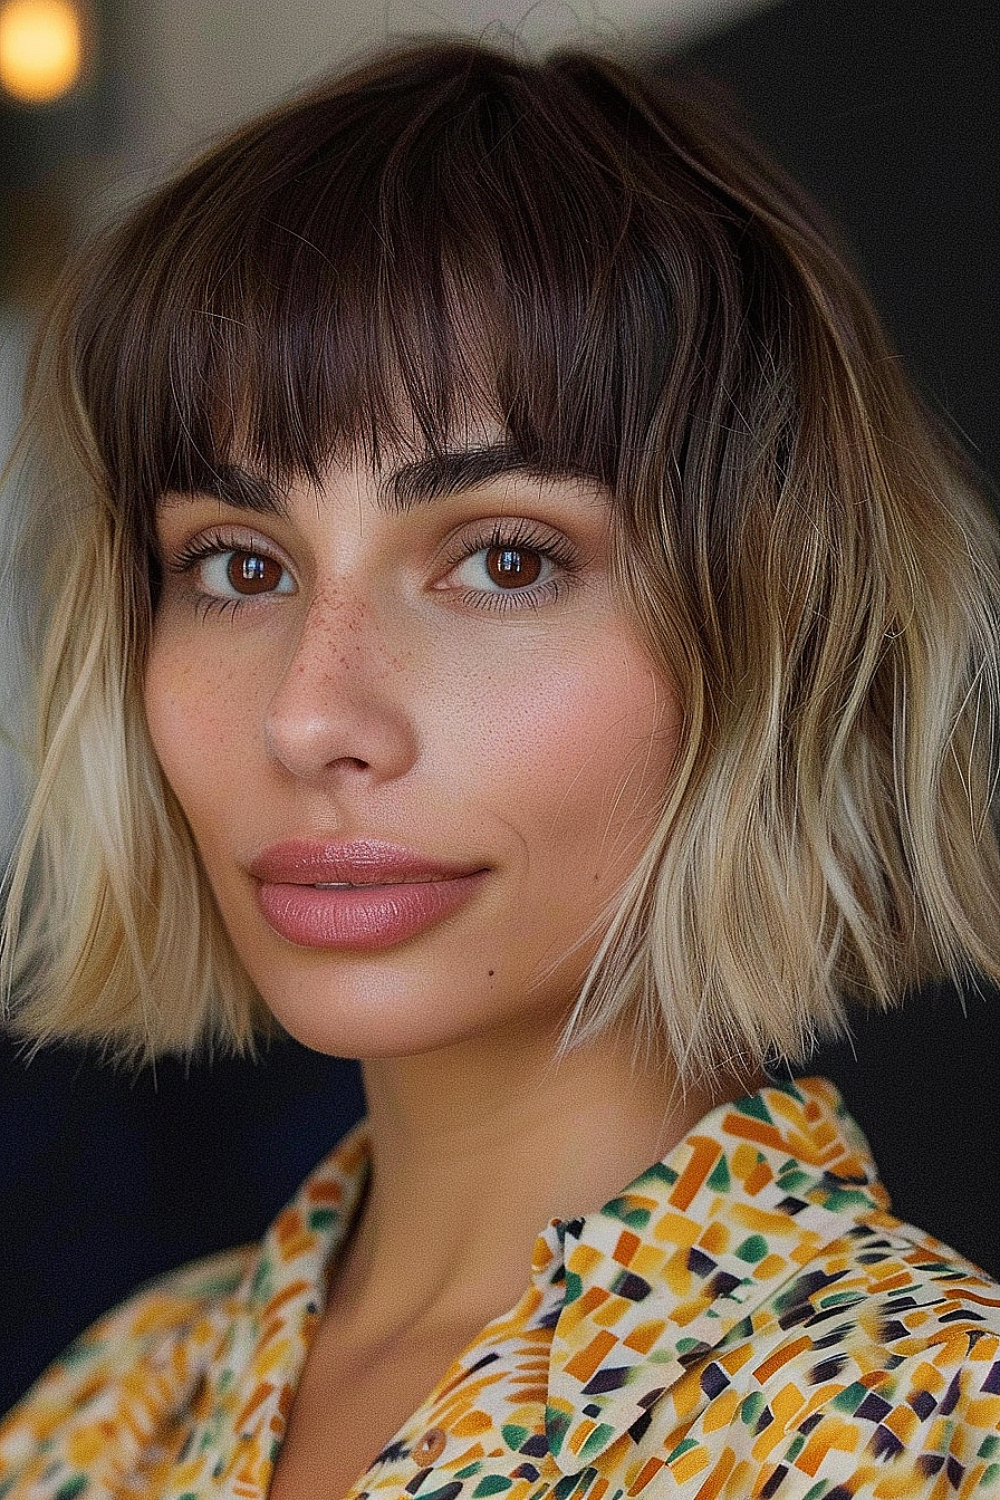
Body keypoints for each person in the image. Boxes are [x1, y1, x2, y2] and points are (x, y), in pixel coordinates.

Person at [1, 37, 999, 1500]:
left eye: (505, 559)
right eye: (236, 562)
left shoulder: (919, 1424)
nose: (310, 713)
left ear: (775, 632)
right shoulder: (110, 1408)